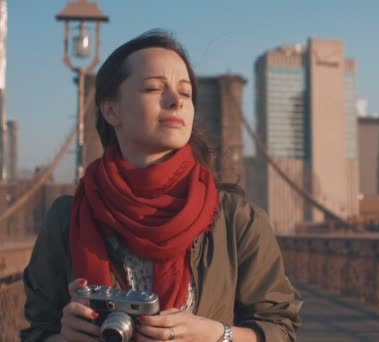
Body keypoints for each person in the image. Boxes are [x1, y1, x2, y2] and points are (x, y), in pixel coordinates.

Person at [20, 30, 302, 342]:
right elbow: (36, 331)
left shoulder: (237, 220)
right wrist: (63, 339)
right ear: (111, 109)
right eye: (154, 88)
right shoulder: (67, 217)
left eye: (185, 93)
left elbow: (282, 330)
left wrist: (217, 335)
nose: (175, 100)